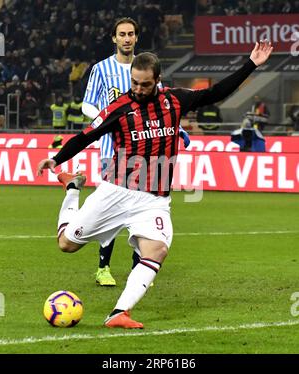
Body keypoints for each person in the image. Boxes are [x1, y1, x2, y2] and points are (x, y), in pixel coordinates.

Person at [37, 41, 273, 329]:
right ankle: (73, 188)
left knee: (157, 250)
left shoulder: (175, 100)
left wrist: (251, 64)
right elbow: (86, 136)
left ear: (157, 81)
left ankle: (118, 313)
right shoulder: (119, 107)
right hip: (117, 192)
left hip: (154, 200)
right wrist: (56, 158)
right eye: (134, 82)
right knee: (66, 245)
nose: (137, 89)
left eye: (144, 84)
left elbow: (215, 93)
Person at [82, 17, 190, 287]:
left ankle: (138, 268)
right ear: (114, 38)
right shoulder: (102, 69)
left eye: (131, 34)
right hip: (112, 151)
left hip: (146, 154)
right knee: (113, 210)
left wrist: (177, 130)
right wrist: (105, 122)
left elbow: (163, 106)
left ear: (136, 38)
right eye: (122, 34)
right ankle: (103, 267)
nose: (127, 38)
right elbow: (86, 104)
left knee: (142, 212)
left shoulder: (148, 69)